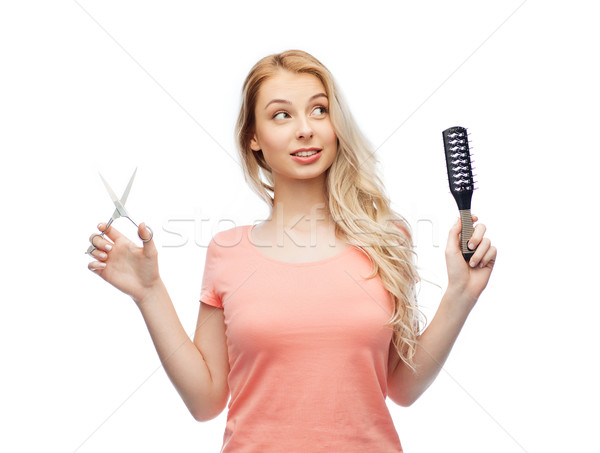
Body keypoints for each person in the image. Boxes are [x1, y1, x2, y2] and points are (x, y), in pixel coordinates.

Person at [86, 49, 497, 452]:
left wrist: (460, 295)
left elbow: (402, 387)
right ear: (254, 138)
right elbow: (206, 400)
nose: (305, 129)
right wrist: (149, 292)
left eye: (319, 110)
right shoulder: (227, 252)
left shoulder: (386, 239)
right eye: (282, 115)